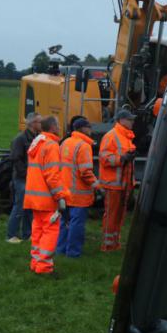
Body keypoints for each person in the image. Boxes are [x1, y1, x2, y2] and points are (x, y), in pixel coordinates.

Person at [23, 116, 69, 275]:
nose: (60, 128)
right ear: (53, 127)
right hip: (47, 199)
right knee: (50, 232)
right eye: (58, 125)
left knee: (37, 231)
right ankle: (44, 267)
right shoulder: (52, 145)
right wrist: (60, 197)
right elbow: (52, 176)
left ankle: (35, 263)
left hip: (34, 198)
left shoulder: (37, 143)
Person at [56, 118, 98, 258]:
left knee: (64, 222)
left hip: (65, 192)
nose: (90, 129)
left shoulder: (65, 143)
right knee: (76, 224)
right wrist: (97, 186)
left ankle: (60, 249)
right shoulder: (84, 146)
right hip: (79, 195)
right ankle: (73, 253)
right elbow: (85, 172)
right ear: (83, 129)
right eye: (89, 126)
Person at [99, 109, 136, 252]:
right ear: (121, 120)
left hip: (123, 184)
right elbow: (104, 157)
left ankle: (114, 243)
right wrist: (122, 159)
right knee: (111, 215)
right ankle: (107, 245)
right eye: (130, 119)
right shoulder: (111, 136)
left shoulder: (126, 136)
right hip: (113, 185)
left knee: (119, 216)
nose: (132, 121)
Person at [5, 112, 42, 243]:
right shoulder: (20, 139)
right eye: (39, 122)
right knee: (19, 206)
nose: (41, 124)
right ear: (32, 123)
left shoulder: (37, 138)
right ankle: (11, 235)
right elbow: (16, 159)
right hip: (22, 179)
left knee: (29, 207)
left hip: (31, 179)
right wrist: (26, 174)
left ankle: (28, 234)